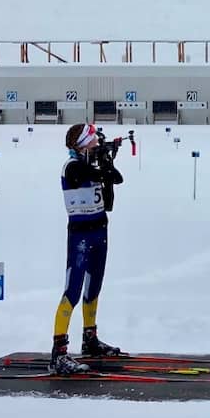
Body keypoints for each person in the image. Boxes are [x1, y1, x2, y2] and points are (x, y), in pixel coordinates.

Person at [49, 122, 127, 375]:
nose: (97, 146)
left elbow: (115, 179)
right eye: (93, 142)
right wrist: (101, 165)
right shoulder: (71, 167)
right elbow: (87, 174)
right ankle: (59, 353)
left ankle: (89, 338)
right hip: (80, 237)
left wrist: (106, 161)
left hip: (99, 231)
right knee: (72, 292)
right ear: (83, 145)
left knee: (94, 288)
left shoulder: (92, 165)